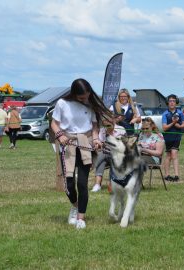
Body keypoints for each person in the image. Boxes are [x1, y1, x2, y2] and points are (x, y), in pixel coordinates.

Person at [51, 78, 113, 229]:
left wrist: (97, 139)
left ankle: (81, 218)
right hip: (67, 145)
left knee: (82, 183)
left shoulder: (90, 105)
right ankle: (75, 206)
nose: (85, 99)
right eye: (81, 98)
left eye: (87, 96)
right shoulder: (62, 103)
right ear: (74, 94)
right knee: (69, 184)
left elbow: (94, 126)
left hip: (85, 144)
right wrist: (60, 135)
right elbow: (54, 123)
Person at [91, 113, 127, 192]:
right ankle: (97, 184)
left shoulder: (121, 129)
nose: (106, 128)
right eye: (105, 125)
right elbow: (99, 143)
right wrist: (99, 145)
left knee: (106, 157)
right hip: (105, 153)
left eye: (108, 125)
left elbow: (124, 145)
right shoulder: (103, 130)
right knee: (102, 156)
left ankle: (93, 166)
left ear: (113, 123)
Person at [162, 94, 184, 181]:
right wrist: (173, 123)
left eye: (173, 101)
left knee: (174, 154)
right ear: (167, 103)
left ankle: (176, 176)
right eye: (170, 101)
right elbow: (164, 128)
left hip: (177, 136)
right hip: (168, 137)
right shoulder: (165, 114)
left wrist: (179, 126)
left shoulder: (180, 112)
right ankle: (167, 175)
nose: (172, 103)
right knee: (168, 155)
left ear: (176, 102)